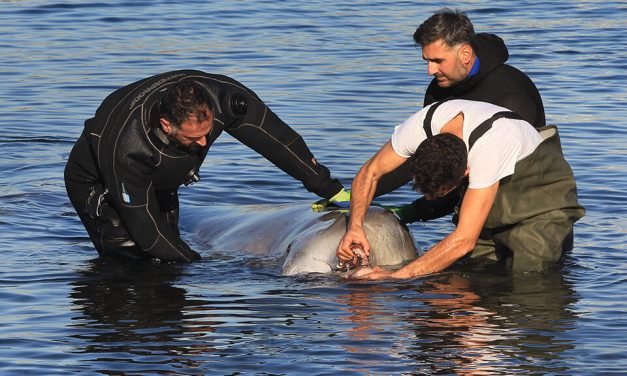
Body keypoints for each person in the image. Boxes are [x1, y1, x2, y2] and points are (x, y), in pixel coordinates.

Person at [65, 70, 349, 263]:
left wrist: (329, 189)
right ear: (166, 125)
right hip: (99, 183)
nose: (204, 143)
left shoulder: (222, 98)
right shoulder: (128, 149)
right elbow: (148, 233)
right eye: (193, 137)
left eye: (208, 132)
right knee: (138, 263)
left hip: (162, 176)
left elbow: (279, 143)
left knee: (171, 254)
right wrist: (200, 267)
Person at [337, 99, 584, 279]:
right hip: (495, 203)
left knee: (528, 275)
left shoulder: (489, 149)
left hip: (541, 200)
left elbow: (464, 240)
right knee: (470, 273)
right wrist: (355, 227)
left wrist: (397, 276)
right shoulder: (419, 127)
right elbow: (369, 173)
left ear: (466, 172)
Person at [377, 8, 546, 223]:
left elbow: (470, 175)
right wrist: (358, 194)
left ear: (465, 54)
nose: (430, 70)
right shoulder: (438, 90)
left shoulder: (511, 95)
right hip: (472, 203)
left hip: (531, 211)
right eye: (427, 61)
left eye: (438, 60)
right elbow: (429, 158)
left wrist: (414, 212)